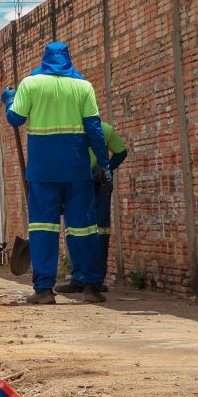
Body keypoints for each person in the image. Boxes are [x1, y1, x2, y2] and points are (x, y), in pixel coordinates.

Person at [0, 42, 111, 304]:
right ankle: (91, 287)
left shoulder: (31, 84)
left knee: (42, 229)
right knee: (84, 229)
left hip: (42, 172)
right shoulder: (83, 86)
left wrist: (10, 100)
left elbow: (15, 120)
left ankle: (44, 291)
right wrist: (104, 164)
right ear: (69, 60)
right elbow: (94, 129)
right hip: (77, 171)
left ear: (45, 59)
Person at [58, 122, 128, 295]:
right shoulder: (75, 129)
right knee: (74, 231)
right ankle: (79, 279)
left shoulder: (104, 130)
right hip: (76, 183)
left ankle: (93, 280)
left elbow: (121, 152)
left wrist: (106, 170)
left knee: (98, 232)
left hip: (96, 186)